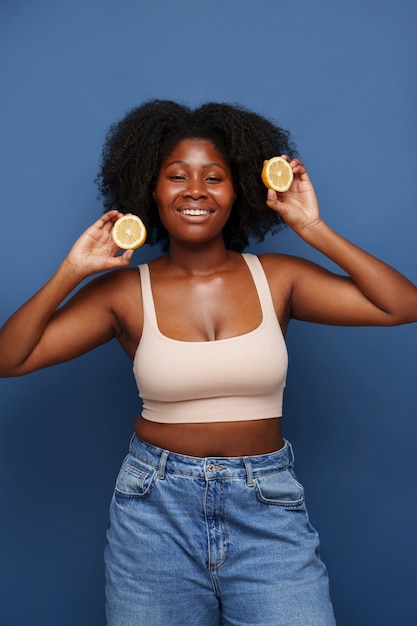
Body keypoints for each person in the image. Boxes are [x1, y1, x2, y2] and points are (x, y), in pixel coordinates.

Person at [1, 99, 417, 626]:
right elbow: (9, 359)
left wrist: (313, 229)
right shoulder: (125, 293)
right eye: (176, 175)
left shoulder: (280, 278)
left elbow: (401, 305)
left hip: (266, 505)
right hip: (154, 511)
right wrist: (70, 271)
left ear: (238, 189)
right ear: (151, 191)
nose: (195, 190)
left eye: (213, 177)